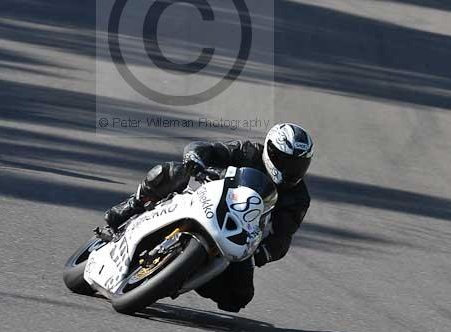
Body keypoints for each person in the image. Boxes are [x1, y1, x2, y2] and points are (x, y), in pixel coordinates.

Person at [103, 123, 313, 313]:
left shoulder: (298, 198)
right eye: (285, 161)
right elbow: (209, 149)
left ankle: (182, 274)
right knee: (172, 171)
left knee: (238, 297)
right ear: (270, 151)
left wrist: (262, 253)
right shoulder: (248, 151)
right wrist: (195, 158)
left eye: (298, 165)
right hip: (206, 199)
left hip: (239, 235)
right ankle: (132, 206)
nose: (291, 169)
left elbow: (283, 236)